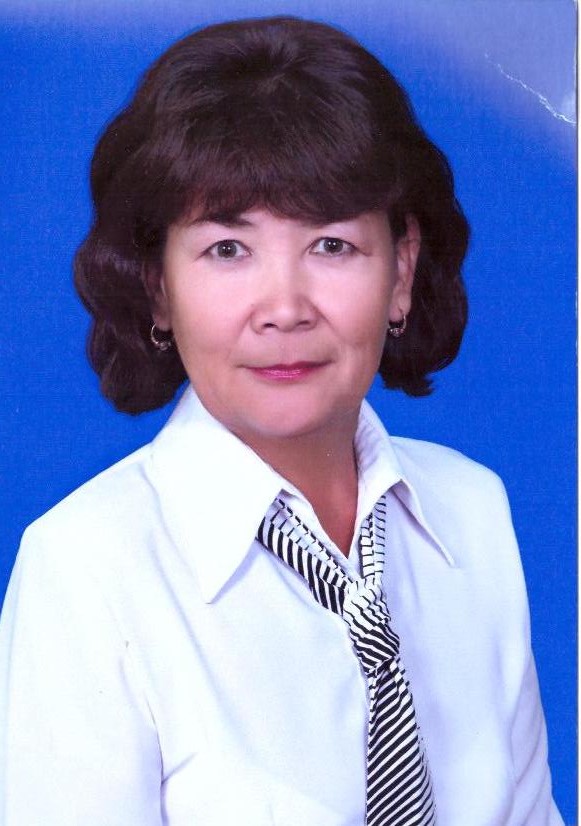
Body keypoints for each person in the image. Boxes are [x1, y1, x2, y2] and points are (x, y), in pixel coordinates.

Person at [0, 16, 563, 826]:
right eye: (227, 250)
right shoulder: (86, 569)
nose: (285, 308)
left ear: (401, 270)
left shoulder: (472, 510)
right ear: (157, 286)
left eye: (331, 246)